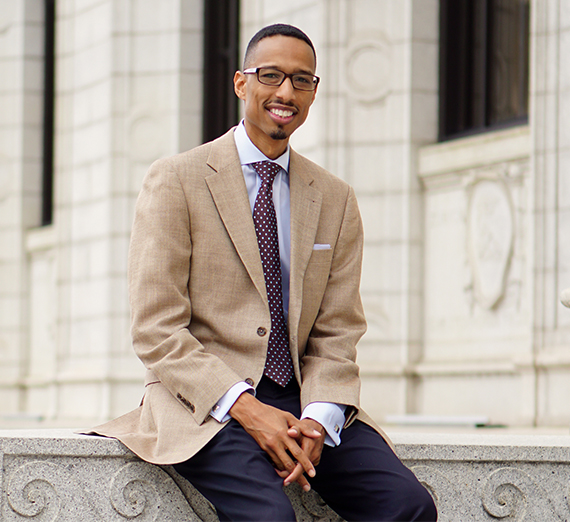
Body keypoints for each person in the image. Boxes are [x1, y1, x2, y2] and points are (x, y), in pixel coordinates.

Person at [91, 23, 437, 522]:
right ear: (241, 83)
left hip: (304, 397)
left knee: (408, 507)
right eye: (270, 75)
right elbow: (157, 329)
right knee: (270, 518)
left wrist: (319, 418)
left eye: (301, 80)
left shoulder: (335, 198)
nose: (285, 92)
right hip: (205, 403)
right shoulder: (177, 180)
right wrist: (249, 410)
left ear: (314, 91)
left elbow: (338, 329)